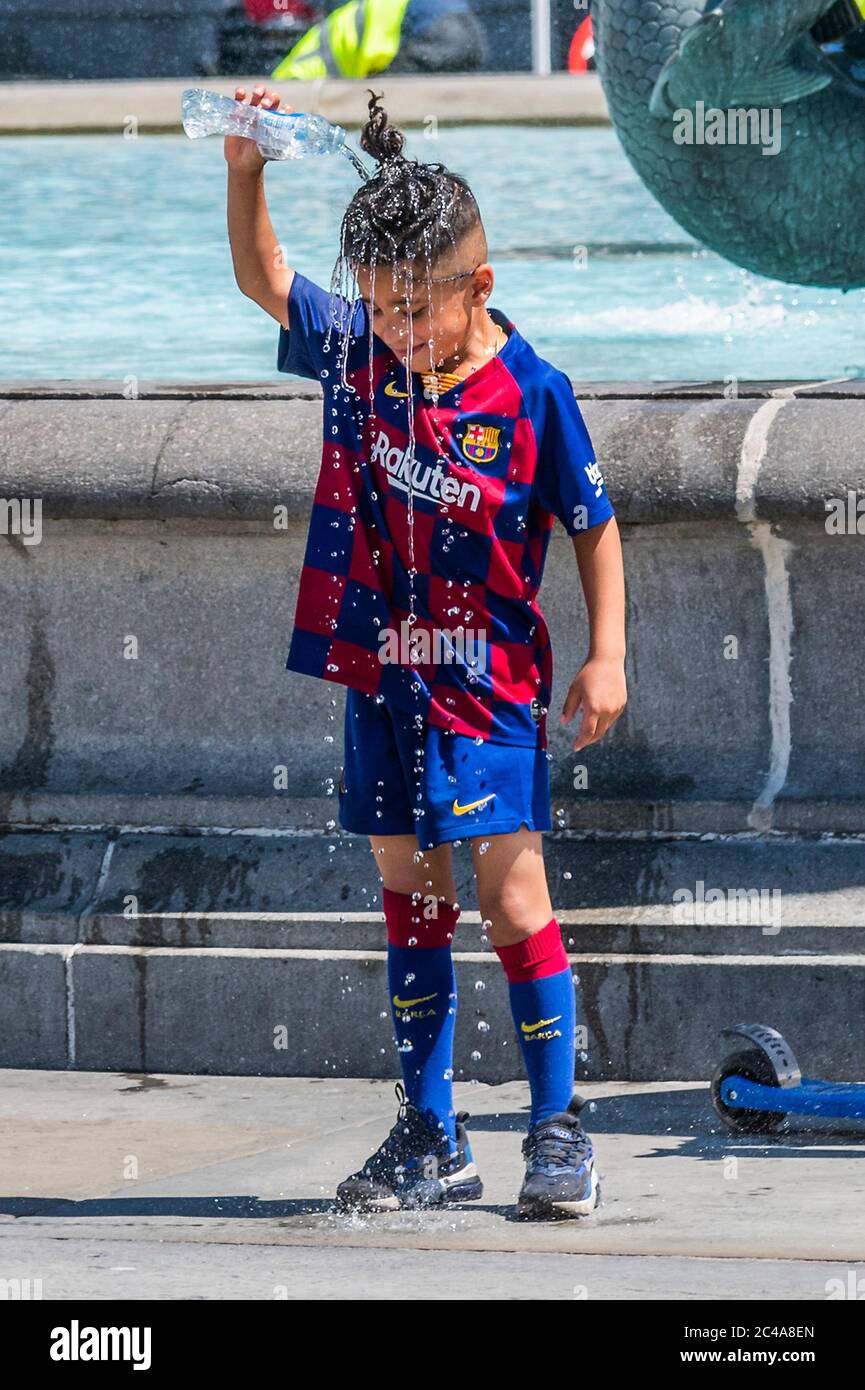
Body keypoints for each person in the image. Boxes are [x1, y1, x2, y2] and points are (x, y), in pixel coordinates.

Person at [226, 83, 627, 1220]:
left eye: (417, 311)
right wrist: (246, 169)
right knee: (409, 896)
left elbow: (595, 525)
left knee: (512, 899)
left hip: (490, 688)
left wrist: (607, 656)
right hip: (384, 677)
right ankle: (429, 1135)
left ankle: (558, 1129)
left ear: (477, 288)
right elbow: (263, 281)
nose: (397, 332)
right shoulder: (357, 355)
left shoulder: (533, 394)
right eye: (380, 310)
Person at [270, 0, 485, 79]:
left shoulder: (301, 64)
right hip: (466, 26)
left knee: (383, 97)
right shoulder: (342, 19)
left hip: (437, 30)